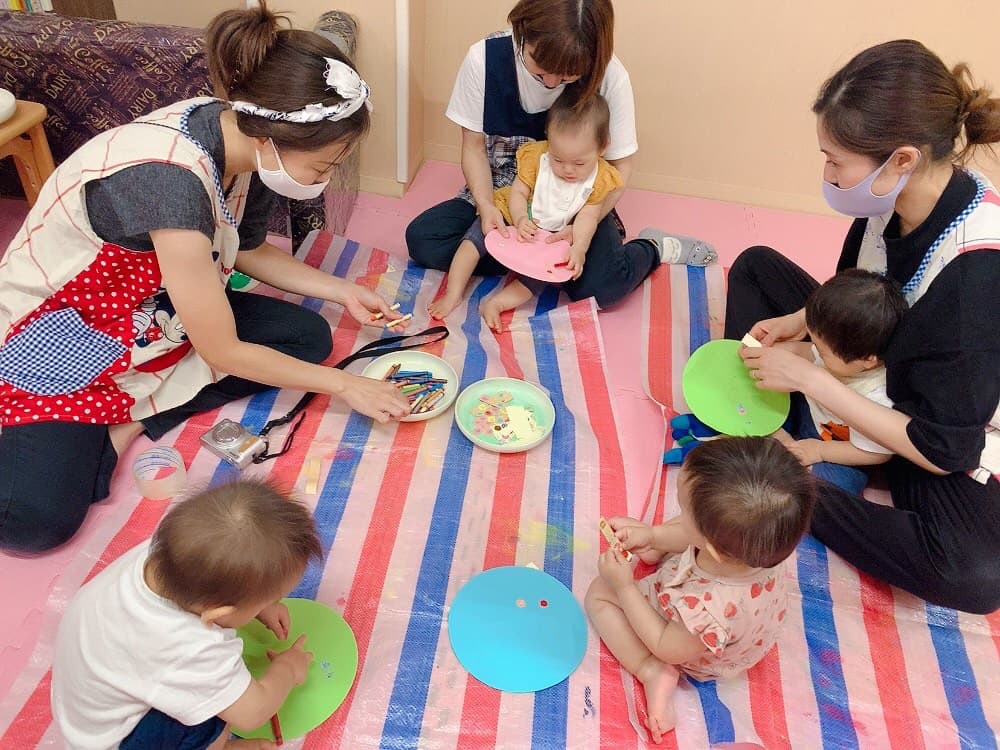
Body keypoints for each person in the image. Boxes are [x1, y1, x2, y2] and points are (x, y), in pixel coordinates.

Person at [0, 2, 411, 554]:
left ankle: (123, 428)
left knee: (308, 339)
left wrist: (339, 290)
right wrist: (347, 385)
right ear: (272, 137)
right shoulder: (169, 184)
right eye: (326, 164)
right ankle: (104, 424)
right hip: (61, 335)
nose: (327, 176)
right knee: (34, 524)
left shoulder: (246, 138)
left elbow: (248, 249)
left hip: (154, 314)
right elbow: (222, 351)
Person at [728, 40, 1000, 614]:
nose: (827, 173)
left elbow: (944, 449)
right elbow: (853, 289)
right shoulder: (887, 202)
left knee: (974, 574)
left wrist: (811, 378)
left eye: (835, 161)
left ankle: (797, 486)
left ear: (901, 158)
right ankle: (783, 419)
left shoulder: (975, 277)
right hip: (866, 357)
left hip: (927, 423)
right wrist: (801, 324)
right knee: (755, 266)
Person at [406, 0, 715, 313]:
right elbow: (472, 146)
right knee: (423, 241)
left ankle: (651, 247)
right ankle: (538, 267)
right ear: (521, 29)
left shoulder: (609, 74)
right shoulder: (484, 58)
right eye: (540, 69)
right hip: (503, 186)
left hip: (574, 200)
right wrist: (486, 206)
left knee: (600, 290)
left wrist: (580, 226)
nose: (553, 83)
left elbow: (620, 168)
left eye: (568, 76)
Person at [51, 479, 322, 750]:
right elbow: (253, 712)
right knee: (214, 709)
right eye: (273, 597)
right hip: (116, 741)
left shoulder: (166, 555)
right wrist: (287, 669)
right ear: (217, 613)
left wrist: (257, 602)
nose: (277, 602)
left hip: (89, 712)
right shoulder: (191, 647)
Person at [585, 438, 815, 743]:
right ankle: (663, 542)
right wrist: (654, 536)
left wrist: (624, 586)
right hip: (726, 592)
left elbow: (665, 644)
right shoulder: (764, 541)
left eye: (683, 507)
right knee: (705, 516)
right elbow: (695, 533)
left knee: (599, 592)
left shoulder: (708, 610)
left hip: (688, 643)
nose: (678, 510)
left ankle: (651, 672)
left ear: (710, 549)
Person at [428, 92, 623, 328]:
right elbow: (518, 192)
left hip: (549, 236)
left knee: (537, 277)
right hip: (513, 218)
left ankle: (497, 304)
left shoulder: (600, 178)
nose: (567, 170)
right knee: (472, 241)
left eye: (579, 163)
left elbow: (589, 216)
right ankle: (453, 293)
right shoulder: (536, 157)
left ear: (603, 147)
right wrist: (519, 218)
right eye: (558, 159)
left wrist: (580, 247)